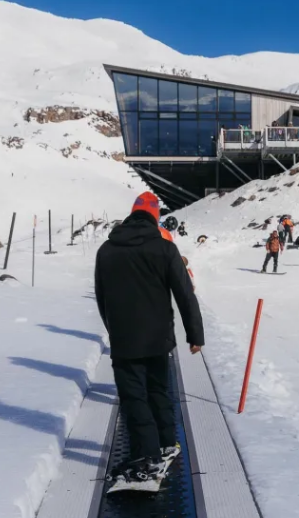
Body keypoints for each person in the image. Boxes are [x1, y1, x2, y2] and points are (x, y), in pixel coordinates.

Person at [94, 192, 204, 487]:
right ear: (155, 218)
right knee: (158, 391)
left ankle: (148, 456)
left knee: (134, 399)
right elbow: (184, 294)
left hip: (125, 339)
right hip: (159, 338)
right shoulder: (164, 248)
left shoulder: (106, 250)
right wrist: (195, 335)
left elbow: (101, 297)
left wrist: (114, 329)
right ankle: (166, 443)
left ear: (131, 215)